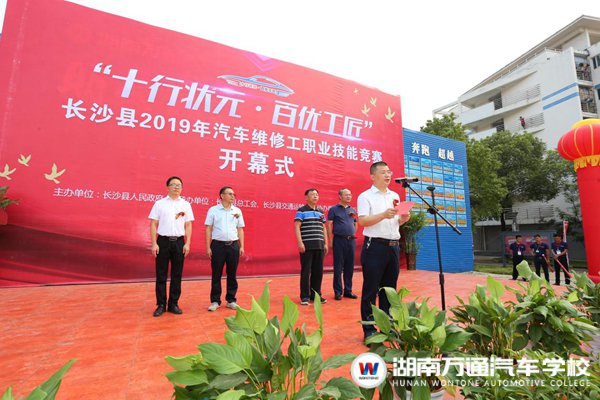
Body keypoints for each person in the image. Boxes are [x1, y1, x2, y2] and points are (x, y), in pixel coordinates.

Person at [357, 161, 410, 341]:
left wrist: (403, 219)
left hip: (393, 247)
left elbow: (395, 222)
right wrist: (383, 215)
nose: (388, 175)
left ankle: (388, 327)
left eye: (389, 172)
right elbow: (363, 221)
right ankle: (369, 329)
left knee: (389, 290)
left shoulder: (394, 195)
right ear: (373, 176)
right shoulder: (365, 196)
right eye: (383, 172)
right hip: (375, 247)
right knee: (371, 289)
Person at [149, 176, 194, 317]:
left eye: (179, 185)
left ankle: (173, 303)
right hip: (163, 241)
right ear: (167, 187)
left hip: (179, 242)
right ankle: (161, 304)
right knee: (161, 274)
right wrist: (154, 243)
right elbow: (153, 223)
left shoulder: (186, 204)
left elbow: (188, 224)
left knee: (177, 274)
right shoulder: (159, 204)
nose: (176, 187)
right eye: (173, 184)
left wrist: (187, 243)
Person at [205, 186, 245, 311]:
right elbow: (208, 228)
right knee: (216, 274)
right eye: (230, 194)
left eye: (234, 194)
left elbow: (240, 229)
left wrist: (242, 246)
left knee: (232, 274)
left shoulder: (237, 210)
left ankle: (231, 300)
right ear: (222, 196)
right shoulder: (213, 210)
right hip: (218, 245)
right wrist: (208, 247)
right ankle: (215, 301)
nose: (233, 196)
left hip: (233, 245)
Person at [295, 188, 329, 305]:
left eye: (316, 194)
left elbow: (324, 228)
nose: (315, 196)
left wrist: (325, 243)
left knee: (318, 272)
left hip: (319, 245)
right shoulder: (301, 211)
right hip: (307, 246)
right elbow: (297, 226)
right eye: (312, 194)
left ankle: (316, 295)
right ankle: (304, 296)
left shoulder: (321, 211)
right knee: (306, 271)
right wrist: (300, 242)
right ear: (306, 197)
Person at [327, 188, 358, 301]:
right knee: (338, 267)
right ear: (340, 196)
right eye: (346, 195)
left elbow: (355, 223)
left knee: (349, 267)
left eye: (350, 194)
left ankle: (348, 291)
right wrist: (330, 240)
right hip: (339, 240)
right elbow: (329, 225)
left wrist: (352, 233)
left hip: (351, 241)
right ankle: (338, 292)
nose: (349, 196)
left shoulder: (352, 210)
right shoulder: (333, 209)